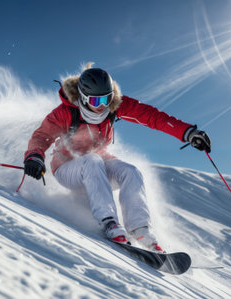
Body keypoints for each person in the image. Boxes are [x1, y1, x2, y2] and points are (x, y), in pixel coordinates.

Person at [23, 63, 211, 252]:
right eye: (96, 102)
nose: (102, 106)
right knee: (92, 161)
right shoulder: (65, 112)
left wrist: (187, 132)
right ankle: (109, 222)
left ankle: (141, 230)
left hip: (99, 166)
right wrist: (34, 157)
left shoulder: (115, 107)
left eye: (107, 99)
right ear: (83, 98)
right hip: (67, 169)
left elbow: (152, 117)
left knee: (130, 171)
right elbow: (41, 137)